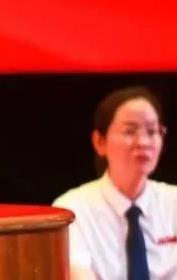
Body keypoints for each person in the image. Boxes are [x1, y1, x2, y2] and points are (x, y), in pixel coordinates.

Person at [53, 87, 175, 280]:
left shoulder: (173, 202)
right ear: (99, 142)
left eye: (152, 131)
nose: (143, 142)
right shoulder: (72, 210)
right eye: (130, 131)